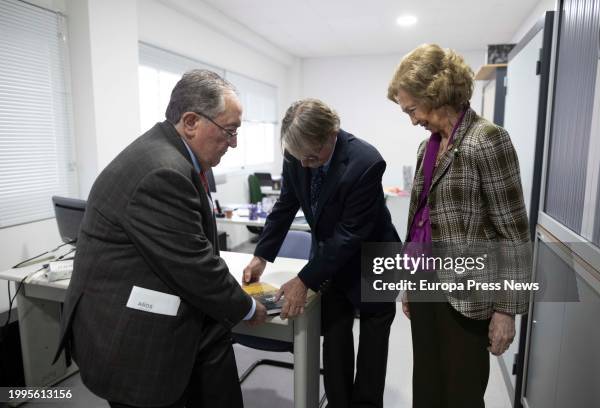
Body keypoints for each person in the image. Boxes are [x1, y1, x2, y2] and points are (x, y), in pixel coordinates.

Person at [55, 70, 267, 408]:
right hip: (134, 341)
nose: (234, 142)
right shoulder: (163, 170)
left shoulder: (166, 154)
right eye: (229, 130)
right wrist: (246, 307)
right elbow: (194, 265)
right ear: (191, 121)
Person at [387, 44, 531, 408]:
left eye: (412, 109)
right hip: (425, 285)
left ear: (434, 94)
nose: (412, 119)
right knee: (427, 388)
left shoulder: (487, 140)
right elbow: (419, 222)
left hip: (468, 295)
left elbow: (513, 233)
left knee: (461, 394)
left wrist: (506, 309)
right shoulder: (427, 147)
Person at [242, 98, 399, 408]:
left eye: (312, 157)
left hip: (373, 257)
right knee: (336, 333)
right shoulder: (297, 154)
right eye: (298, 157)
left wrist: (304, 279)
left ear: (332, 134)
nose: (304, 164)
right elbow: (286, 204)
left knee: (372, 342)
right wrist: (262, 255)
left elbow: (350, 234)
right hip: (331, 259)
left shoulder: (365, 162)